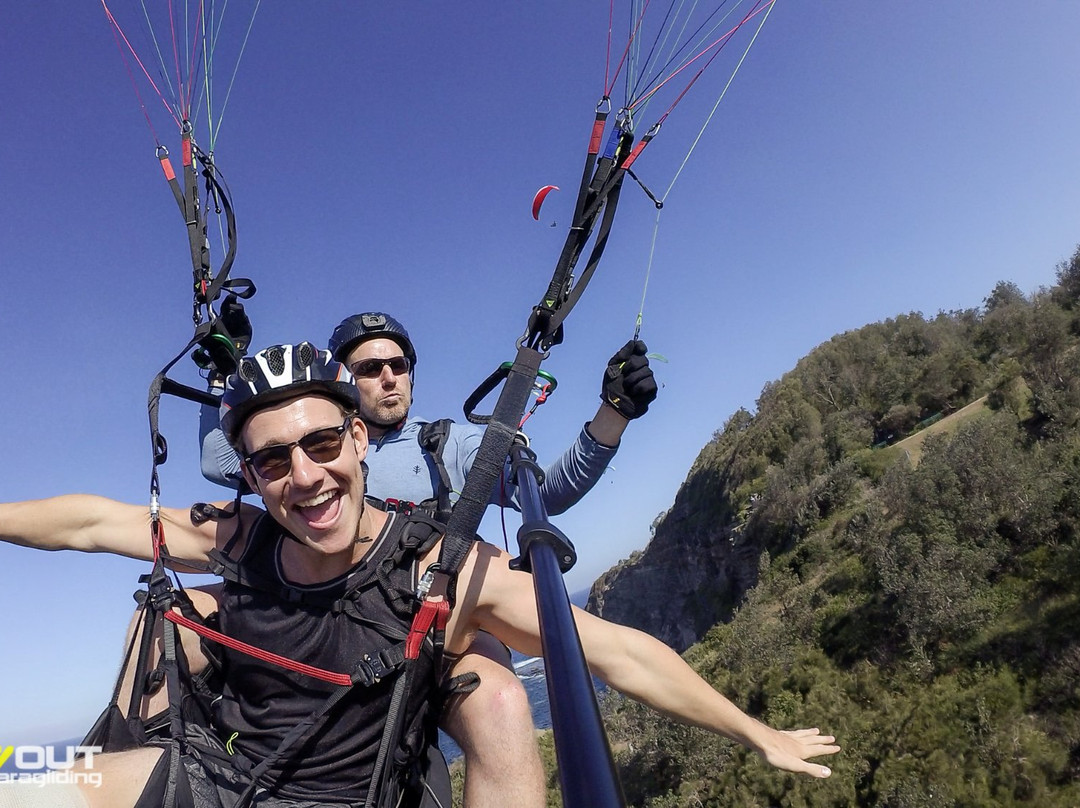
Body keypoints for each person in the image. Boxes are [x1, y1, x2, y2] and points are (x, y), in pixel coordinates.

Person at [0, 343, 839, 808]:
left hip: (350, 800)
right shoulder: (241, 540)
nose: (305, 476)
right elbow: (91, 524)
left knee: (505, 701)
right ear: (250, 477)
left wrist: (758, 735)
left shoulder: (436, 570)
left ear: (360, 441)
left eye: (324, 445)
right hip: (215, 782)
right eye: (273, 461)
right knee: (22, 784)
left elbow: (612, 653)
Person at [198, 312, 659, 804]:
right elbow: (218, 459)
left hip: (439, 634)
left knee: (501, 701)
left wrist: (614, 413)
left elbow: (545, 491)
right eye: (370, 369)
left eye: (398, 364)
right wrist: (224, 373)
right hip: (341, 645)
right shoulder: (304, 457)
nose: (389, 377)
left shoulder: (445, 443)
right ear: (344, 386)